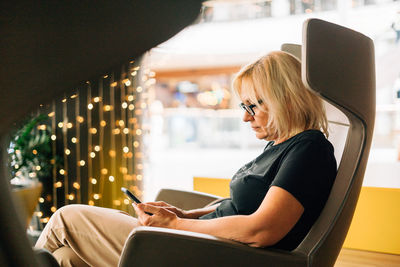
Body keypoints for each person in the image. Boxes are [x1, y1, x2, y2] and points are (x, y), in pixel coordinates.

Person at [35, 51, 337, 267]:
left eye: (253, 106)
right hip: (203, 242)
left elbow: (261, 230)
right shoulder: (281, 146)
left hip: (212, 253)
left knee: (66, 217)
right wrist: (186, 214)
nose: (246, 118)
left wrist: (176, 226)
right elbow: (243, 207)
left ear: (284, 100)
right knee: (66, 259)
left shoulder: (308, 149)